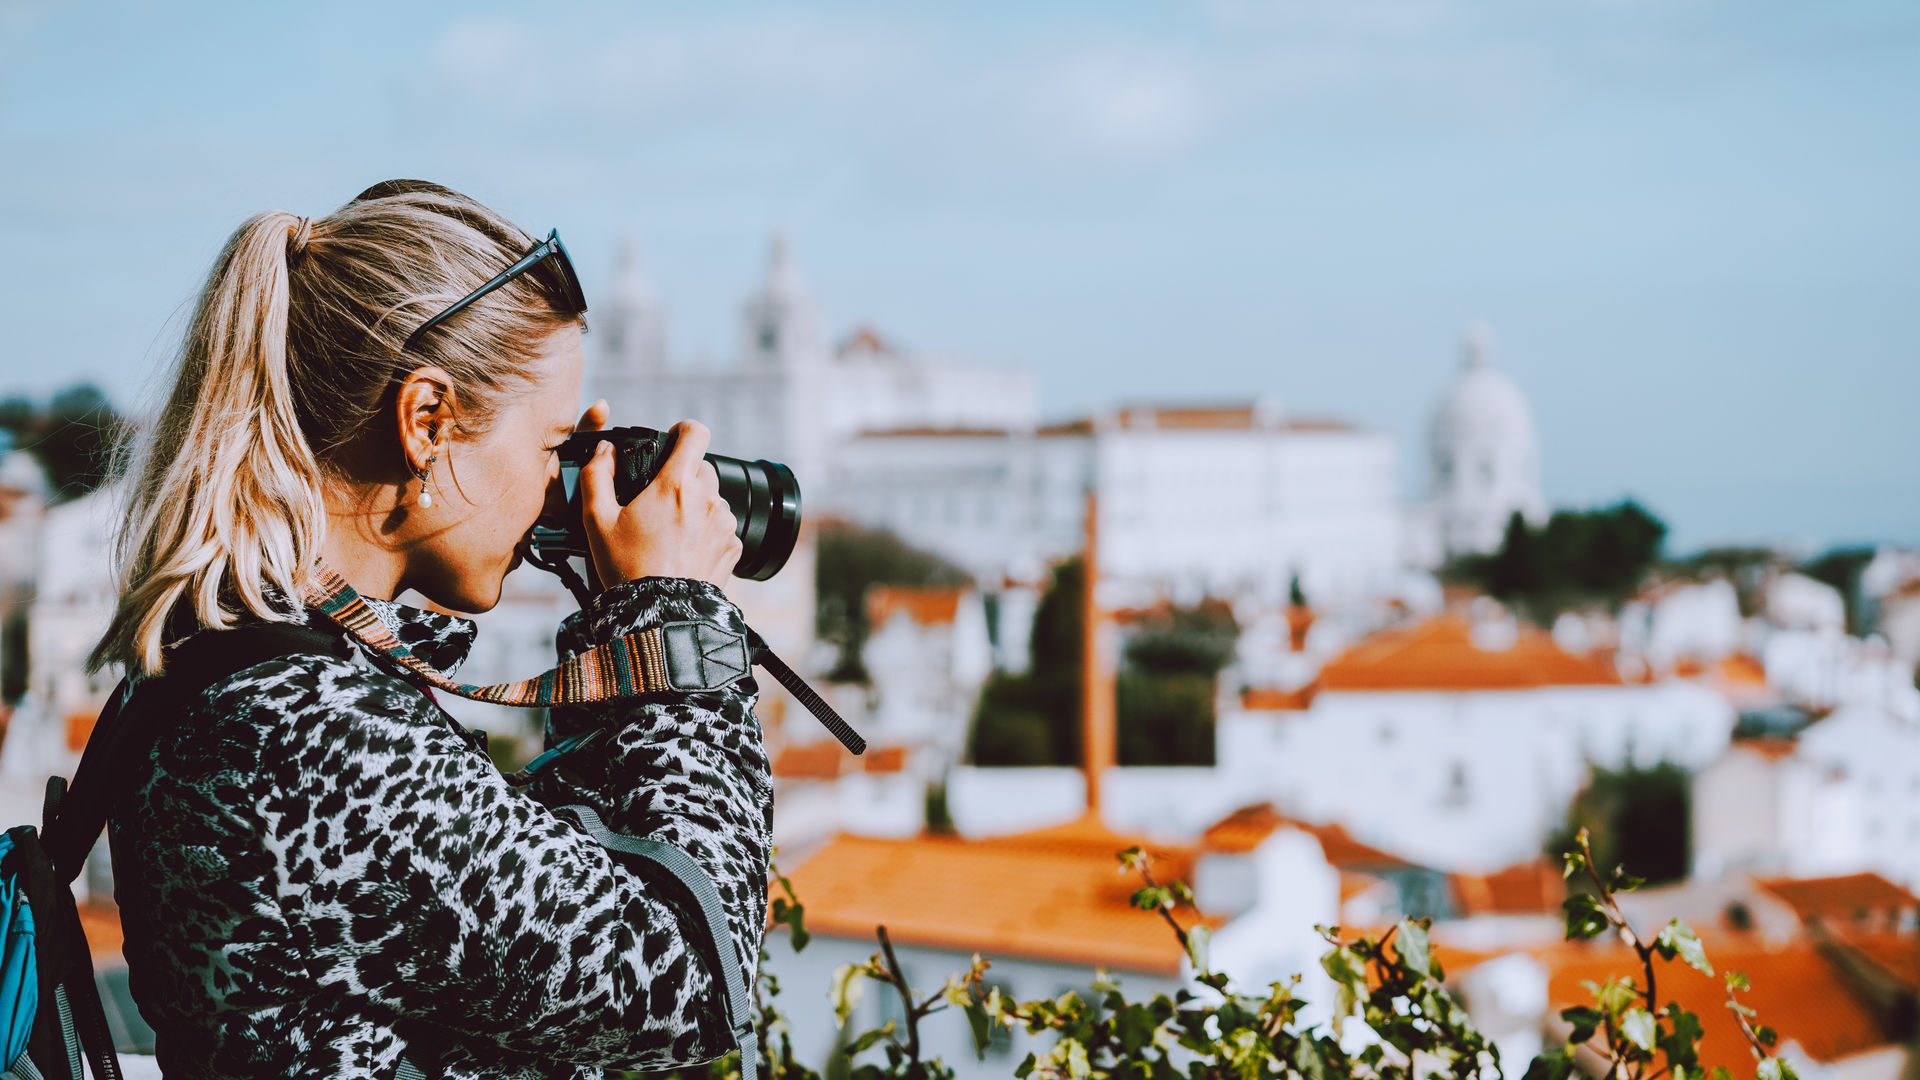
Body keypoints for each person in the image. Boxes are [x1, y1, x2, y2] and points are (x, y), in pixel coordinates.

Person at [81, 180, 766, 1078]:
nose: (559, 480)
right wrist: (677, 619)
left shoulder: (248, 664)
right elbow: (690, 983)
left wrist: (615, 626)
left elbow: (542, 888)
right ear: (429, 421)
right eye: (549, 443)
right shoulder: (304, 727)